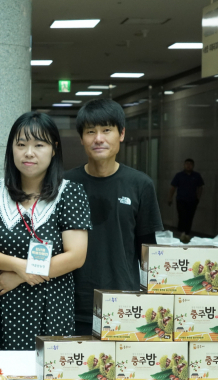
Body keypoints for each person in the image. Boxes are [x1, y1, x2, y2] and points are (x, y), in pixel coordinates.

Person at [0, 112, 91, 351]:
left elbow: (76, 256)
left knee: (47, 379)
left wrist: (20, 275)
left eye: (39, 144)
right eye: (21, 144)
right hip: (2, 303)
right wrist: (19, 266)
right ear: (12, 149)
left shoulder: (71, 193)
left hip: (52, 305)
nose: (29, 152)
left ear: (54, 149)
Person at [65, 99, 163, 335]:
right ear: (81, 138)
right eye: (91, 131)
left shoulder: (140, 184)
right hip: (72, 304)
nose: (98, 138)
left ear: (121, 134)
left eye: (107, 130)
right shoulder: (65, 185)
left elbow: (148, 251)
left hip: (124, 304)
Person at [168, 159, 204, 243]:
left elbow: (200, 187)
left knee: (190, 217)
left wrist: (198, 198)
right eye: (187, 164)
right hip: (181, 199)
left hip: (192, 200)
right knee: (182, 216)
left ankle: (187, 233)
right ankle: (182, 232)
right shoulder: (179, 175)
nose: (188, 166)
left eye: (190, 164)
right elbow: (173, 187)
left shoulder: (196, 176)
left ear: (193, 166)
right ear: (184, 165)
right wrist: (170, 198)